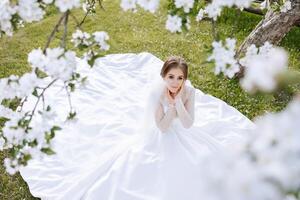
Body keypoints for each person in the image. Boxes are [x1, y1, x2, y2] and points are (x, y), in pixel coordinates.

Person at [19, 52, 256, 200]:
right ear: (164, 77)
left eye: (180, 78)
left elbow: (188, 124)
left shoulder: (189, 92)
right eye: (171, 77)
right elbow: (163, 127)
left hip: (184, 133)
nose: (175, 82)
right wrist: (171, 105)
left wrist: (181, 104)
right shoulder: (157, 94)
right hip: (160, 134)